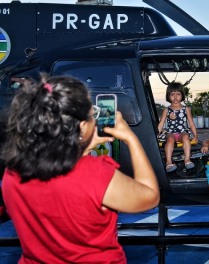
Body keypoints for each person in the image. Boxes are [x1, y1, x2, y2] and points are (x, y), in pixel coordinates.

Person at [0, 75, 160, 263]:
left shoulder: (12, 173)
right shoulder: (97, 173)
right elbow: (149, 196)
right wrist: (131, 139)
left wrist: (83, 146)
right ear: (83, 126)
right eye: (92, 114)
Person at [157, 82, 198, 172]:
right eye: (172, 94)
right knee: (170, 140)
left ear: (182, 95)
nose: (175, 97)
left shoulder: (186, 109)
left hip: (182, 132)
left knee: (186, 136)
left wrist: (195, 136)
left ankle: (187, 159)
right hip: (170, 132)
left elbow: (191, 124)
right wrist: (157, 134)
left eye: (178, 94)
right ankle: (168, 162)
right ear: (168, 96)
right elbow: (161, 124)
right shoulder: (166, 110)